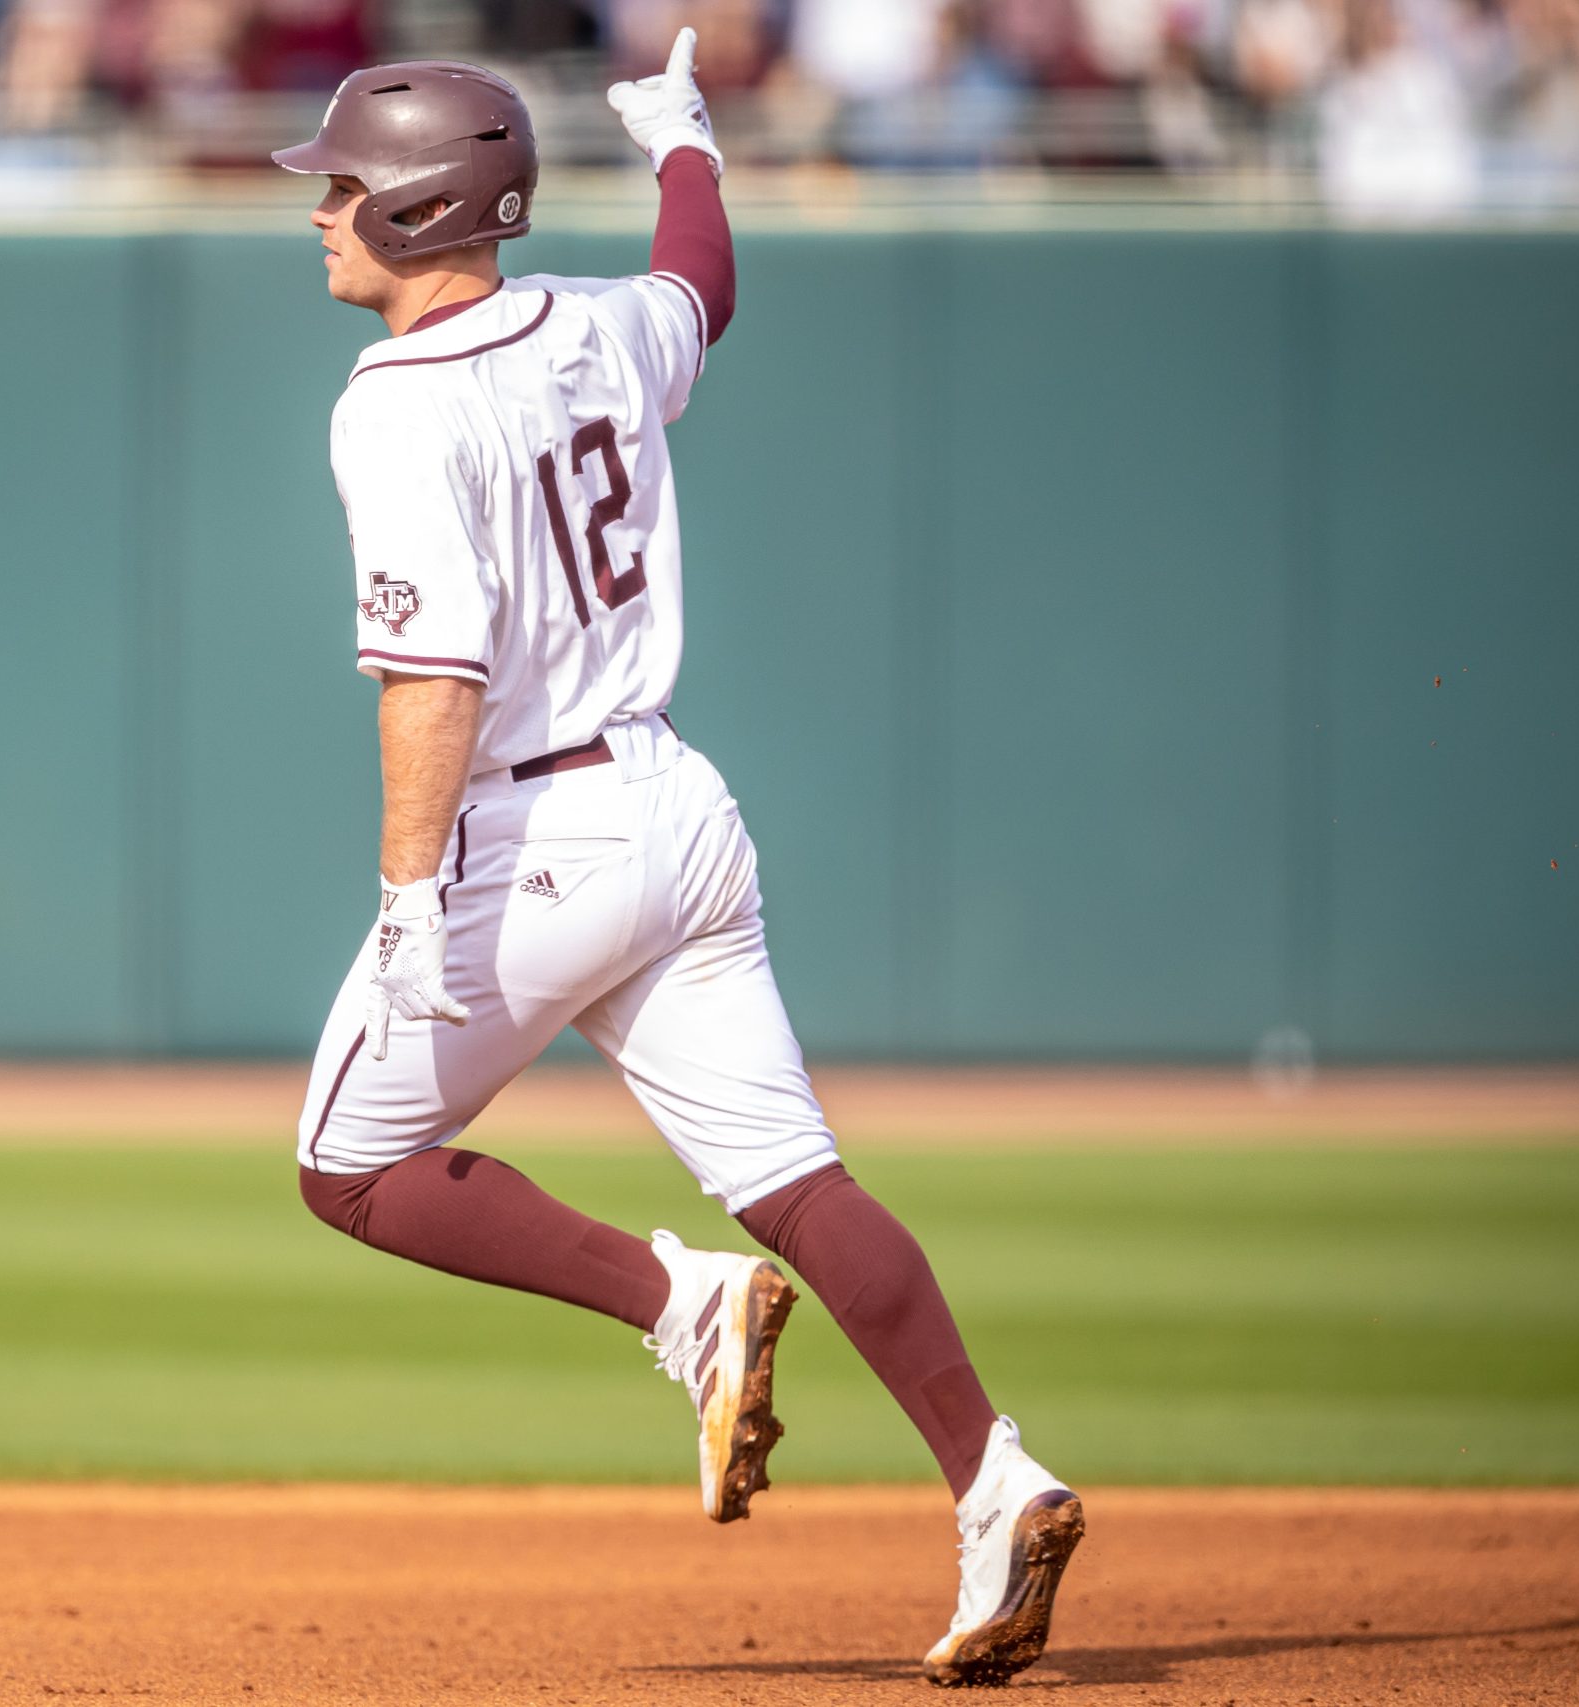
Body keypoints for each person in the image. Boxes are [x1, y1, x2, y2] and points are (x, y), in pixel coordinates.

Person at [273, 37, 1085, 1688]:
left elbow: (434, 682)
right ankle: (995, 1479)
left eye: (346, 187)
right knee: (801, 1181)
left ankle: (675, 1306)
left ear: (425, 208)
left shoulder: (394, 405)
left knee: (347, 1171)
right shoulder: (594, 322)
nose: (322, 215)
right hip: (678, 810)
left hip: (530, 839)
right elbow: (699, 286)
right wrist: (686, 144)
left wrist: (412, 894)